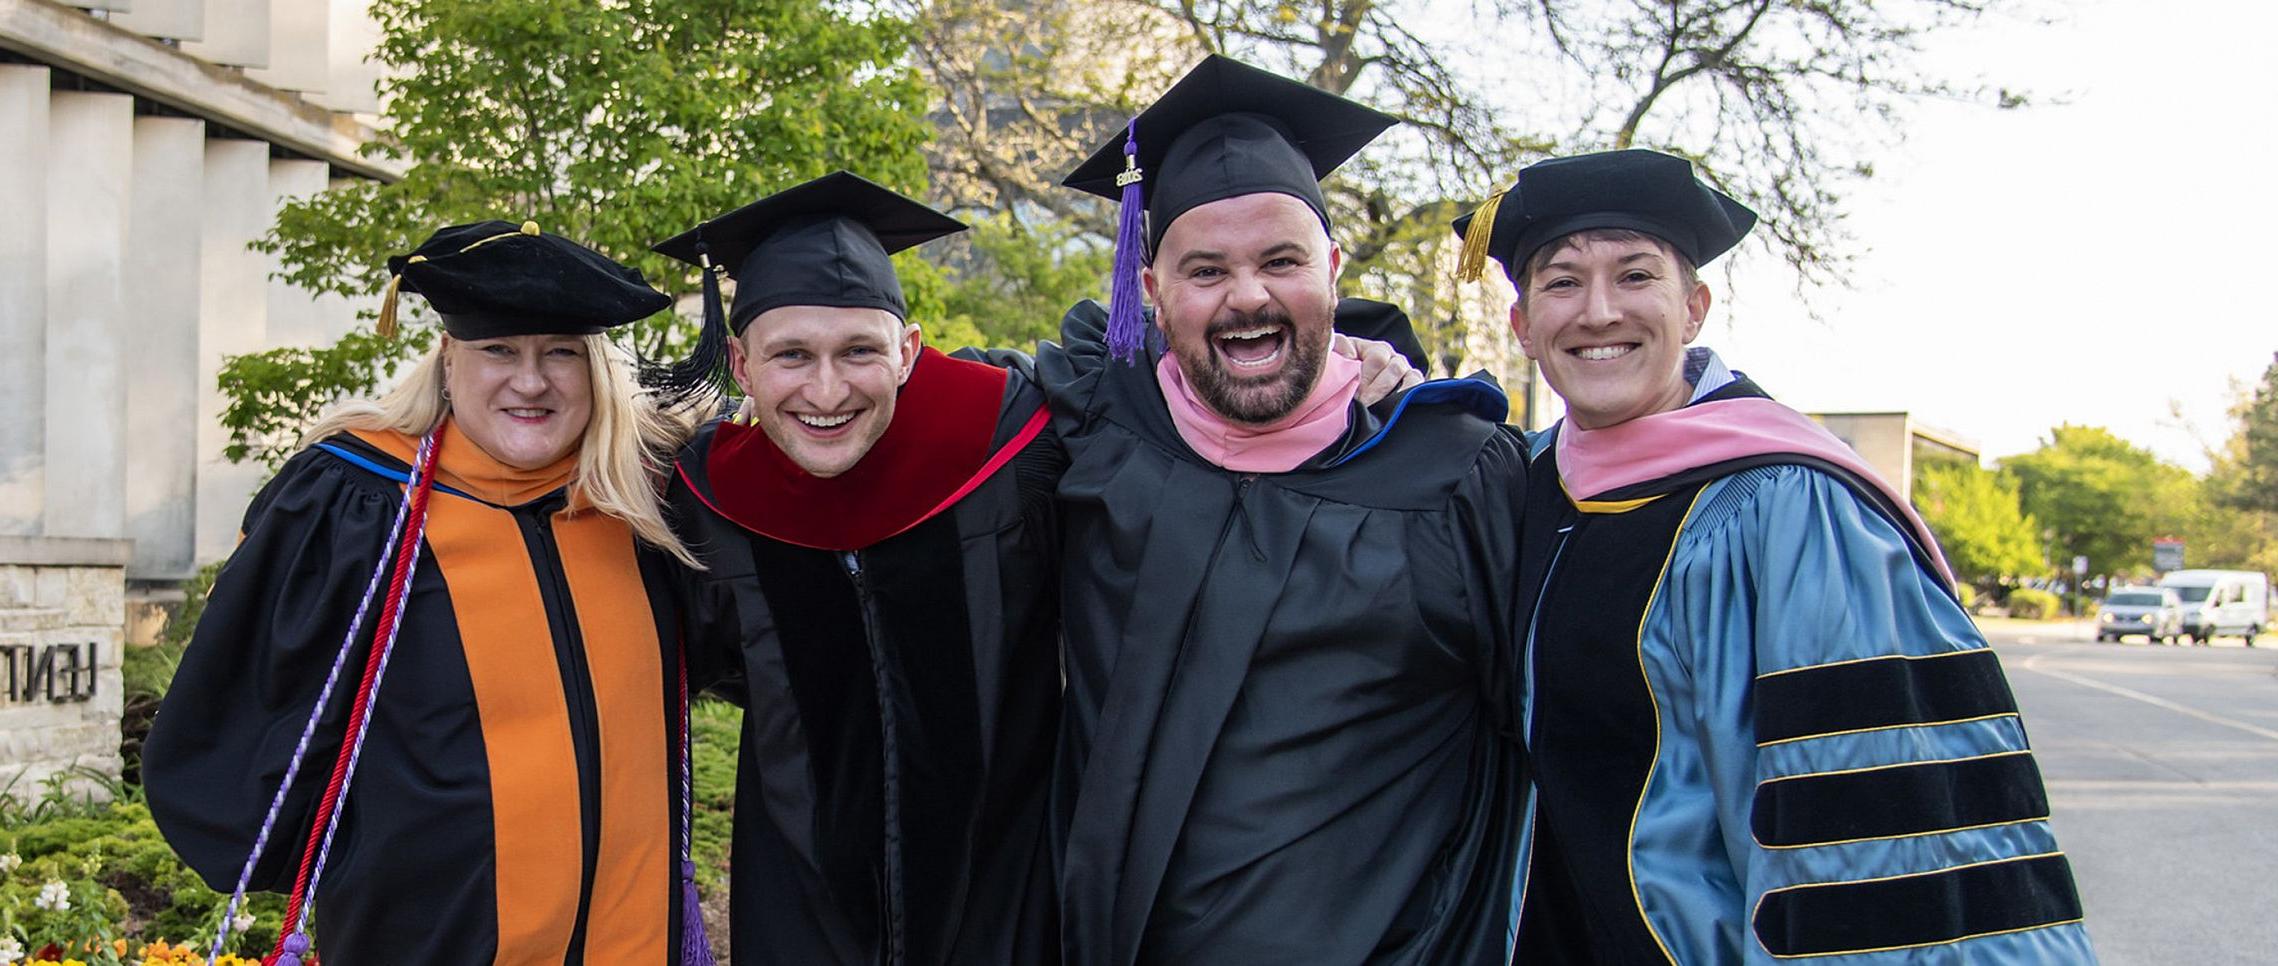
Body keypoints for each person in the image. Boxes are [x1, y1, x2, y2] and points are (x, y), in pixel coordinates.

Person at [1453, 148, 2096, 962]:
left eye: (1637, 276)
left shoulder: (1792, 505)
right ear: (1523, 326)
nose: (1599, 310)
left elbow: (1880, 829)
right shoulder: (1528, 486)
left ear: (1694, 308)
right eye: (1562, 281)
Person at [1043, 55, 1526, 965]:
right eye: (1206, 269)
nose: (1249, 295)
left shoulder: (1456, 477)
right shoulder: (1102, 434)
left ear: (1335, 271)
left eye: (1282, 261)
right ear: (1149, 292)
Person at [144, 221, 707, 964]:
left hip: (633, 935)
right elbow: (240, 707)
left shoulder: (642, 502)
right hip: (431, 938)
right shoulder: (359, 501)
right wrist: (357, 860)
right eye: (498, 350)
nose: (531, 381)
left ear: (595, 368)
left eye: (560, 353)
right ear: (448, 358)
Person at [642, 171, 1064, 966]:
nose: (826, 390)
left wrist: (1359, 346)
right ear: (739, 362)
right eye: (791, 355)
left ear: (908, 351)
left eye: (860, 351)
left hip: (1008, 900)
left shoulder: (1017, 445)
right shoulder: (708, 498)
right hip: (799, 911)